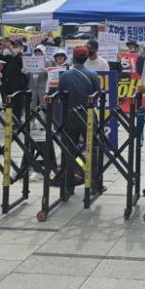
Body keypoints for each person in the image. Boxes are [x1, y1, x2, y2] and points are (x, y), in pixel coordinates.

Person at [55, 45, 100, 189]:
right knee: (92, 148)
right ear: (86, 58)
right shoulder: (92, 75)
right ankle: (94, 181)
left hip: (70, 116)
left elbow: (60, 94)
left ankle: (69, 182)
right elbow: (97, 93)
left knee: (69, 148)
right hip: (88, 115)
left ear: (73, 58)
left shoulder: (65, 76)